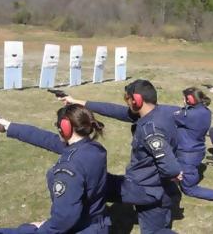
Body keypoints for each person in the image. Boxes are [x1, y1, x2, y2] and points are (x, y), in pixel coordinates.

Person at [60, 79, 181, 234]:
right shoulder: (160, 112)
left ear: (137, 100)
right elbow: (115, 111)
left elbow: (170, 168)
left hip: (145, 188)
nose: (127, 103)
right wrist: (79, 102)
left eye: (127, 99)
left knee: (93, 185)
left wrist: (173, 173)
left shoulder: (151, 130)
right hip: (153, 185)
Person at [0, 104, 111, 234]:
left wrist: (36, 228)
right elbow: (46, 138)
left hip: (78, 229)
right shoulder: (94, 149)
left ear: (65, 128)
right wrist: (9, 126)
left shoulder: (69, 168)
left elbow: (64, 219)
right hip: (97, 226)